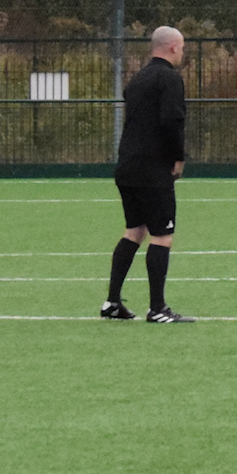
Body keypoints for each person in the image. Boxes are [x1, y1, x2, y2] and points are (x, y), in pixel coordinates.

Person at [102, 24, 192, 323]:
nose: (182, 52)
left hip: (127, 165)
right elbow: (171, 121)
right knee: (162, 236)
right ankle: (157, 308)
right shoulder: (169, 79)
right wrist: (177, 157)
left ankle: (112, 302)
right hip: (153, 168)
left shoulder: (137, 79)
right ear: (172, 48)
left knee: (134, 231)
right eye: (181, 47)